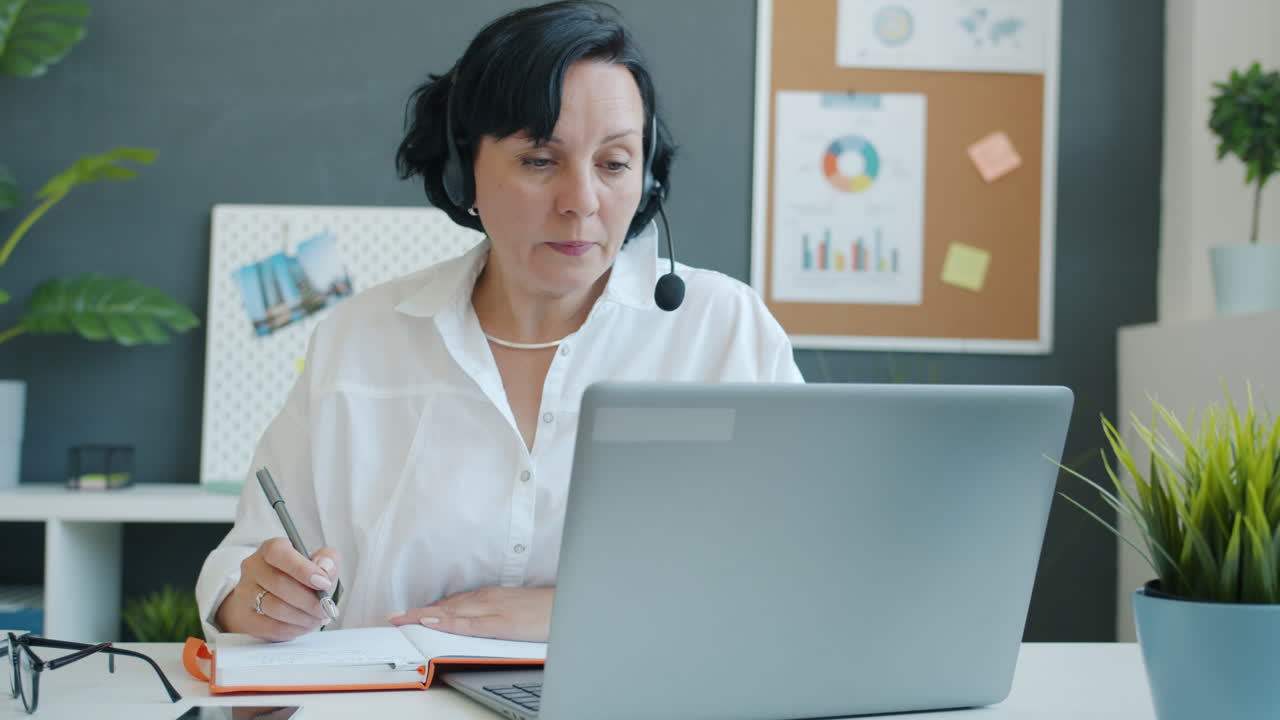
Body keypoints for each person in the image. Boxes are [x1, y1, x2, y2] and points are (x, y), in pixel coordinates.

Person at [195, 0, 803, 644]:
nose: (582, 202)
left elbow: (803, 566)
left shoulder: (725, 334)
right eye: (540, 160)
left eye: (615, 163)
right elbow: (245, 562)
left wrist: (580, 613)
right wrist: (256, 598)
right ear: (465, 171)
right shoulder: (361, 338)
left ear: (648, 180)